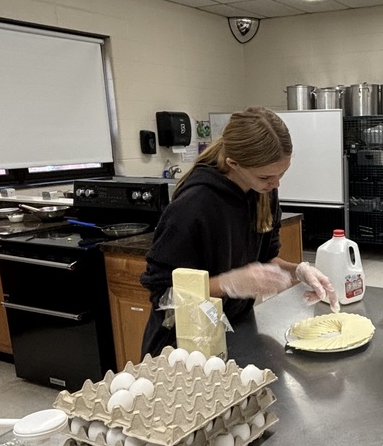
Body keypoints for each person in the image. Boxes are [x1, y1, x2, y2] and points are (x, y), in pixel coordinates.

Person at [140, 106, 337, 357]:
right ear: (233, 164)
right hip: (184, 347)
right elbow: (165, 294)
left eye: (282, 173)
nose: (276, 183)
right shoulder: (192, 207)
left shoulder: (263, 193)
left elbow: (266, 259)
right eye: (266, 176)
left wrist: (297, 270)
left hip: (233, 331)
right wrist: (229, 283)